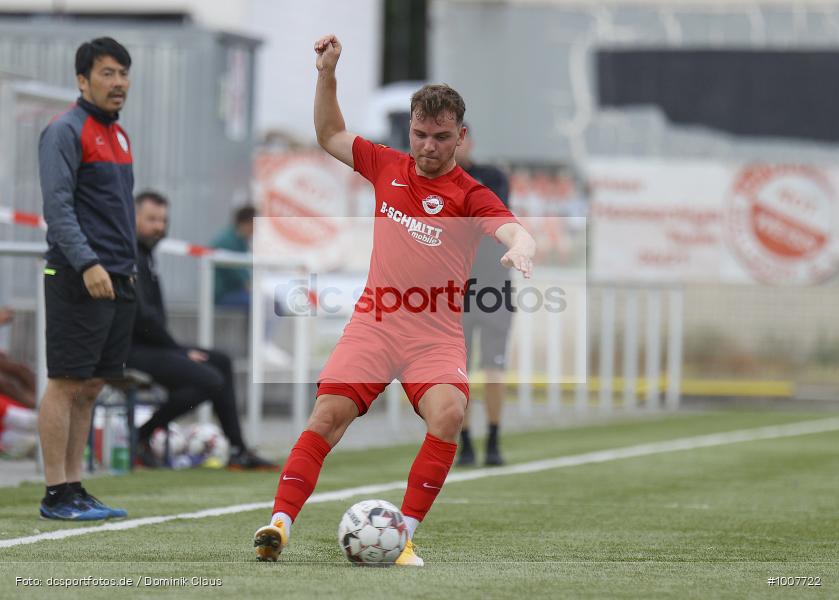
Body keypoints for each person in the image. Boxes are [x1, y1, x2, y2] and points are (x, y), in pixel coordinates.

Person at [253, 34, 536, 566]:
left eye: (441, 137)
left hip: (434, 335)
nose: (428, 146)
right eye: (420, 134)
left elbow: (512, 229)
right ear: (410, 129)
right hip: (376, 324)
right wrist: (327, 73)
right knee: (326, 417)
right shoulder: (385, 165)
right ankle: (279, 524)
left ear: (461, 137)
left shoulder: (471, 194)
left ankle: (401, 535)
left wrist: (523, 247)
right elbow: (329, 132)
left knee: (449, 414)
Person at [37, 37, 136, 521]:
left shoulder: (119, 135)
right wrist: (88, 263)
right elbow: (57, 210)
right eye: (107, 73)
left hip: (118, 277)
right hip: (79, 274)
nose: (118, 83)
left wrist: (123, 267)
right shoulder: (65, 131)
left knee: (92, 385)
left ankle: (75, 486)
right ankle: (55, 491)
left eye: (123, 73)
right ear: (82, 80)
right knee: (64, 382)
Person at [128, 191, 276, 470]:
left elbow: (150, 321)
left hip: (151, 345)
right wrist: (179, 351)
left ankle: (237, 450)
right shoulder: (128, 254)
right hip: (129, 349)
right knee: (210, 379)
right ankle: (141, 436)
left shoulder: (146, 254)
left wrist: (179, 350)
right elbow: (141, 318)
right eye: (151, 219)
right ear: (132, 217)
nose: (159, 226)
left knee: (220, 361)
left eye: (163, 220)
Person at [455, 127, 513, 467]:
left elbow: (489, 218)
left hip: (493, 286)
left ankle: (492, 437)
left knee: (494, 367)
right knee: (457, 371)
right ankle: (465, 442)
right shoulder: (433, 182)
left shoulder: (491, 177)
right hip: (456, 289)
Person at [211, 205, 256, 308]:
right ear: (247, 223)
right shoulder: (228, 242)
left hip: (233, 292)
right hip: (222, 294)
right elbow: (245, 281)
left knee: (264, 302)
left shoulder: (239, 240)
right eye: (254, 225)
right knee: (260, 303)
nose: (255, 230)